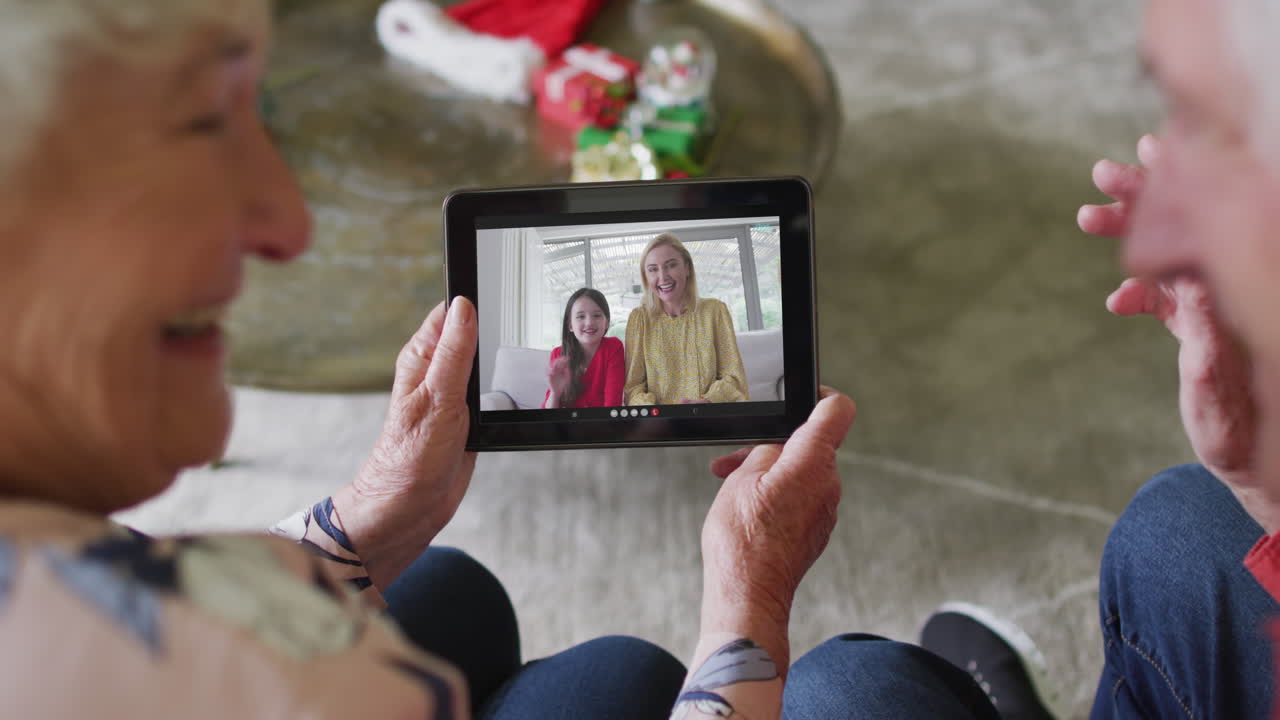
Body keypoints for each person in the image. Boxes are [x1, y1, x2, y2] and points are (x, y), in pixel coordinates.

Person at [623, 233, 750, 406]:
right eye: (653, 269)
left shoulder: (715, 311)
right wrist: (657, 414)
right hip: (658, 426)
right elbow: (633, 388)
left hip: (709, 418)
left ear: (687, 268)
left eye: (671, 265)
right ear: (646, 277)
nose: (663, 276)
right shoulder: (639, 320)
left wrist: (706, 402)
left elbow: (734, 378)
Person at [542, 287, 624, 409]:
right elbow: (548, 418)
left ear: (606, 323)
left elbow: (612, 407)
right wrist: (555, 393)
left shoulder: (613, 347)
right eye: (581, 316)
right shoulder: (558, 354)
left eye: (597, 315)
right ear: (570, 325)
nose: (589, 322)